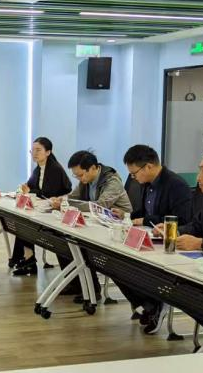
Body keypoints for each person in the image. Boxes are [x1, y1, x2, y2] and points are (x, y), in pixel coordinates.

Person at [118, 145, 193, 333]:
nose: (133, 178)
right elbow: (143, 212)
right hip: (149, 240)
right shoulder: (147, 183)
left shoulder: (175, 185)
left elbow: (182, 219)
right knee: (116, 263)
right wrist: (126, 216)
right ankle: (148, 304)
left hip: (169, 245)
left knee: (132, 266)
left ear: (149, 166)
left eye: (134, 173)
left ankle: (153, 303)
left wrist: (146, 221)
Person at [51, 151, 133, 301]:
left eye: (81, 175)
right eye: (76, 176)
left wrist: (66, 203)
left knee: (83, 247)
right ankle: (76, 284)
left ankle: (91, 290)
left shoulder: (112, 181)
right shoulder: (86, 180)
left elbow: (99, 206)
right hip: (97, 225)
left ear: (93, 168)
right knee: (63, 239)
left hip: (119, 228)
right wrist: (60, 200)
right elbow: (73, 197)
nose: (80, 179)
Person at [10, 137, 72, 277]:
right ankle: (28, 259)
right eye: (32, 150)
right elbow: (30, 186)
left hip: (56, 212)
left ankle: (28, 261)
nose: (34, 153)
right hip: (43, 208)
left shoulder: (55, 169)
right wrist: (25, 189)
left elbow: (47, 193)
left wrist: (30, 191)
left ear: (48, 152)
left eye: (38, 150)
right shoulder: (38, 168)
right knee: (22, 219)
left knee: (25, 222)